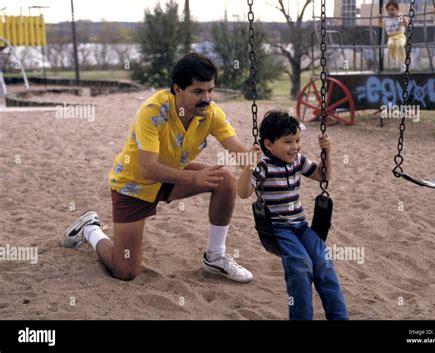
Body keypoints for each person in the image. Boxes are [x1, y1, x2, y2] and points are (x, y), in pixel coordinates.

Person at [62, 53, 254, 283]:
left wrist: (257, 161)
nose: (207, 98)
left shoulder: (211, 113)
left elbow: (240, 153)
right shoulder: (153, 111)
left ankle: (215, 257)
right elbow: (148, 169)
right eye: (198, 91)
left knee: (225, 178)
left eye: (210, 90)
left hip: (173, 173)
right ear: (177, 89)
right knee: (125, 271)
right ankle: (90, 229)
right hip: (134, 183)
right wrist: (193, 179)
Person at [237, 111, 348, 320]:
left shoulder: (298, 161)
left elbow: (324, 177)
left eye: (297, 140)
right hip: (278, 229)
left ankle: (339, 317)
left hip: (301, 226)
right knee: (300, 264)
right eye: (288, 142)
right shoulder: (264, 166)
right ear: (269, 145)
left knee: (323, 262)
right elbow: (243, 193)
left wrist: (327, 152)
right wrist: (248, 166)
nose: (295, 147)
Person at [379, 1, 408, 72]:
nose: (390, 12)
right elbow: (380, 25)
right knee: (390, 45)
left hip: (400, 35)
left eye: (392, 9)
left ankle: (403, 64)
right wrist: (379, 19)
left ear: (397, 10)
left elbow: (405, 25)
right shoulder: (386, 19)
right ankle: (394, 58)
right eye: (388, 10)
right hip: (391, 36)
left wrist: (402, 18)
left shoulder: (399, 16)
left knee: (400, 46)